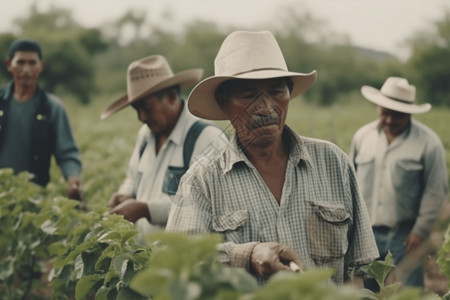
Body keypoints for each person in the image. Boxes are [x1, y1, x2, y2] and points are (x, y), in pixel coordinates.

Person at [166, 31, 378, 286]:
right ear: (224, 103)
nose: (266, 108)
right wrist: (246, 255)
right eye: (248, 95)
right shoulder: (202, 180)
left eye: (276, 92)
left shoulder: (334, 163)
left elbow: (363, 267)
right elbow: (180, 264)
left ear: (289, 95)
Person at [101, 55, 227, 243]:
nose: (141, 117)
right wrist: (125, 194)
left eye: (146, 108)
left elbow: (211, 205)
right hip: (143, 257)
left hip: (185, 263)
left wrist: (146, 209)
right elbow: (133, 176)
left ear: (172, 97)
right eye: (136, 109)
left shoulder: (206, 138)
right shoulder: (145, 135)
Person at [349, 77, 448, 289]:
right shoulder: (362, 137)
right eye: (385, 112)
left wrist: (420, 230)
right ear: (378, 107)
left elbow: (435, 191)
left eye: (398, 115)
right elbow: (350, 183)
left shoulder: (429, 143)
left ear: (410, 113)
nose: (390, 120)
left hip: (406, 233)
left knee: (409, 290)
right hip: (367, 232)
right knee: (367, 290)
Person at [0, 38, 84, 204]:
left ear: (41, 66)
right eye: (21, 62)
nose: (26, 69)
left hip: (34, 197)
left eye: (32, 63)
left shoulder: (53, 108)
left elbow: (67, 152)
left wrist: (73, 178)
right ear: (9, 64)